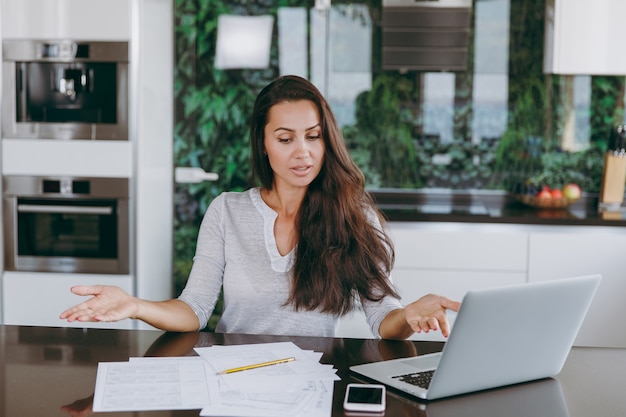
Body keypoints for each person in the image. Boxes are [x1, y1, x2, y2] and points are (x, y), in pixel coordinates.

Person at [60, 75, 460, 339]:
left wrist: (409, 315)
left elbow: (382, 318)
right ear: (264, 144)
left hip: (313, 382)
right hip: (230, 374)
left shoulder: (352, 216)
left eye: (314, 137)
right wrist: (135, 305)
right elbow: (195, 309)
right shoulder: (226, 211)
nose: (303, 152)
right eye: (286, 139)